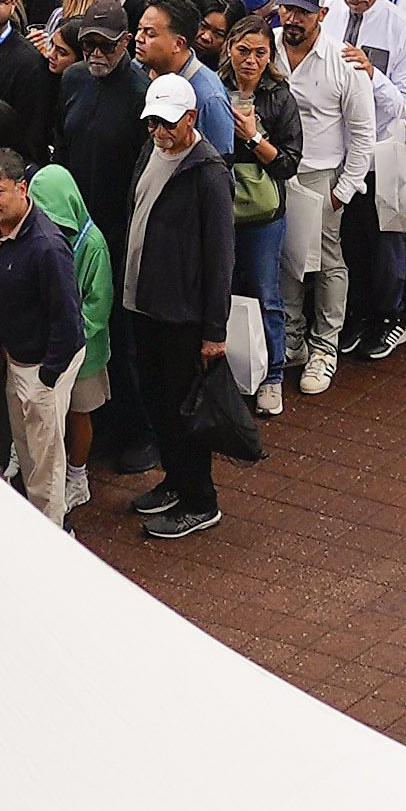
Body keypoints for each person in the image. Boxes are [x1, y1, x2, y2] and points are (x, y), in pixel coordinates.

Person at [118, 73, 238, 540]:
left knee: (183, 409)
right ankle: (175, 481)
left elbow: (221, 257)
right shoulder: (151, 150)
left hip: (182, 315)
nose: (160, 132)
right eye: (153, 123)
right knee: (158, 402)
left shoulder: (208, 172)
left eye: (169, 123)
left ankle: (199, 499)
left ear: (192, 118)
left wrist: (214, 330)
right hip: (143, 304)